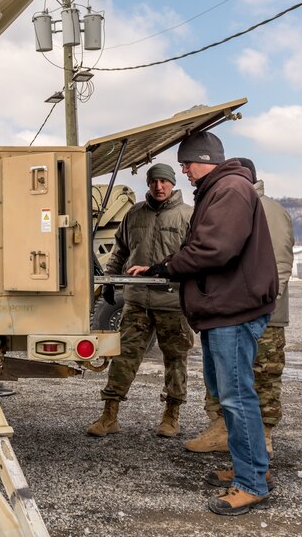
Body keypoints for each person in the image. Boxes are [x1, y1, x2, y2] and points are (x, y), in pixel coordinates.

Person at [130, 132, 278, 516]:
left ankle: (251, 484)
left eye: (187, 163)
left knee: (236, 397)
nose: (184, 171)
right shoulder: (220, 188)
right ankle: (250, 468)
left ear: (206, 159)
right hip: (221, 309)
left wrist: (166, 267)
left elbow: (215, 249)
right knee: (227, 394)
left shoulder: (228, 189)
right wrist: (164, 265)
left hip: (232, 310)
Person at [185, 158, 294, 460]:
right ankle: (227, 435)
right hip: (239, 307)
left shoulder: (266, 209)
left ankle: (263, 441)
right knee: (231, 381)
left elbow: (281, 263)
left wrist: (263, 307)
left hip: (259, 310)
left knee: (262, 378)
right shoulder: (225, 202)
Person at [87, 163, 193, 438]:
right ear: (148, 184)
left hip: (172, 302)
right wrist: (111, 281)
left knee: (175, 359)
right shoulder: (134, 214)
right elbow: (119, 251)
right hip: (137, 301)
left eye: (164, 182)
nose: (159, 187)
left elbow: (194, 257)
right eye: (154, 181)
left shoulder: (187, 216)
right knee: (123, 357)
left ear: (172, 183)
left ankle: (171, 415)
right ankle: (109, 415)